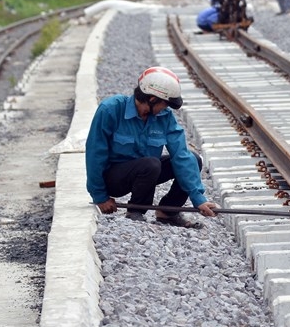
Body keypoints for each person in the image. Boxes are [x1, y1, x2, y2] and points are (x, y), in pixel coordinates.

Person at [85, 66, 219, 226]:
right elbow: (95, 154)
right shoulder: (111, 109)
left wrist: (199, 199)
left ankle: (168, 212)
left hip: (146, 171)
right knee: (151, 164)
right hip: (114, 178)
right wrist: (100, 196)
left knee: (193, 159)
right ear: (152, 99)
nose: (166, 108)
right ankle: (135, 211)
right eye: (165, 104)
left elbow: (181, 155)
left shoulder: (164, 117)